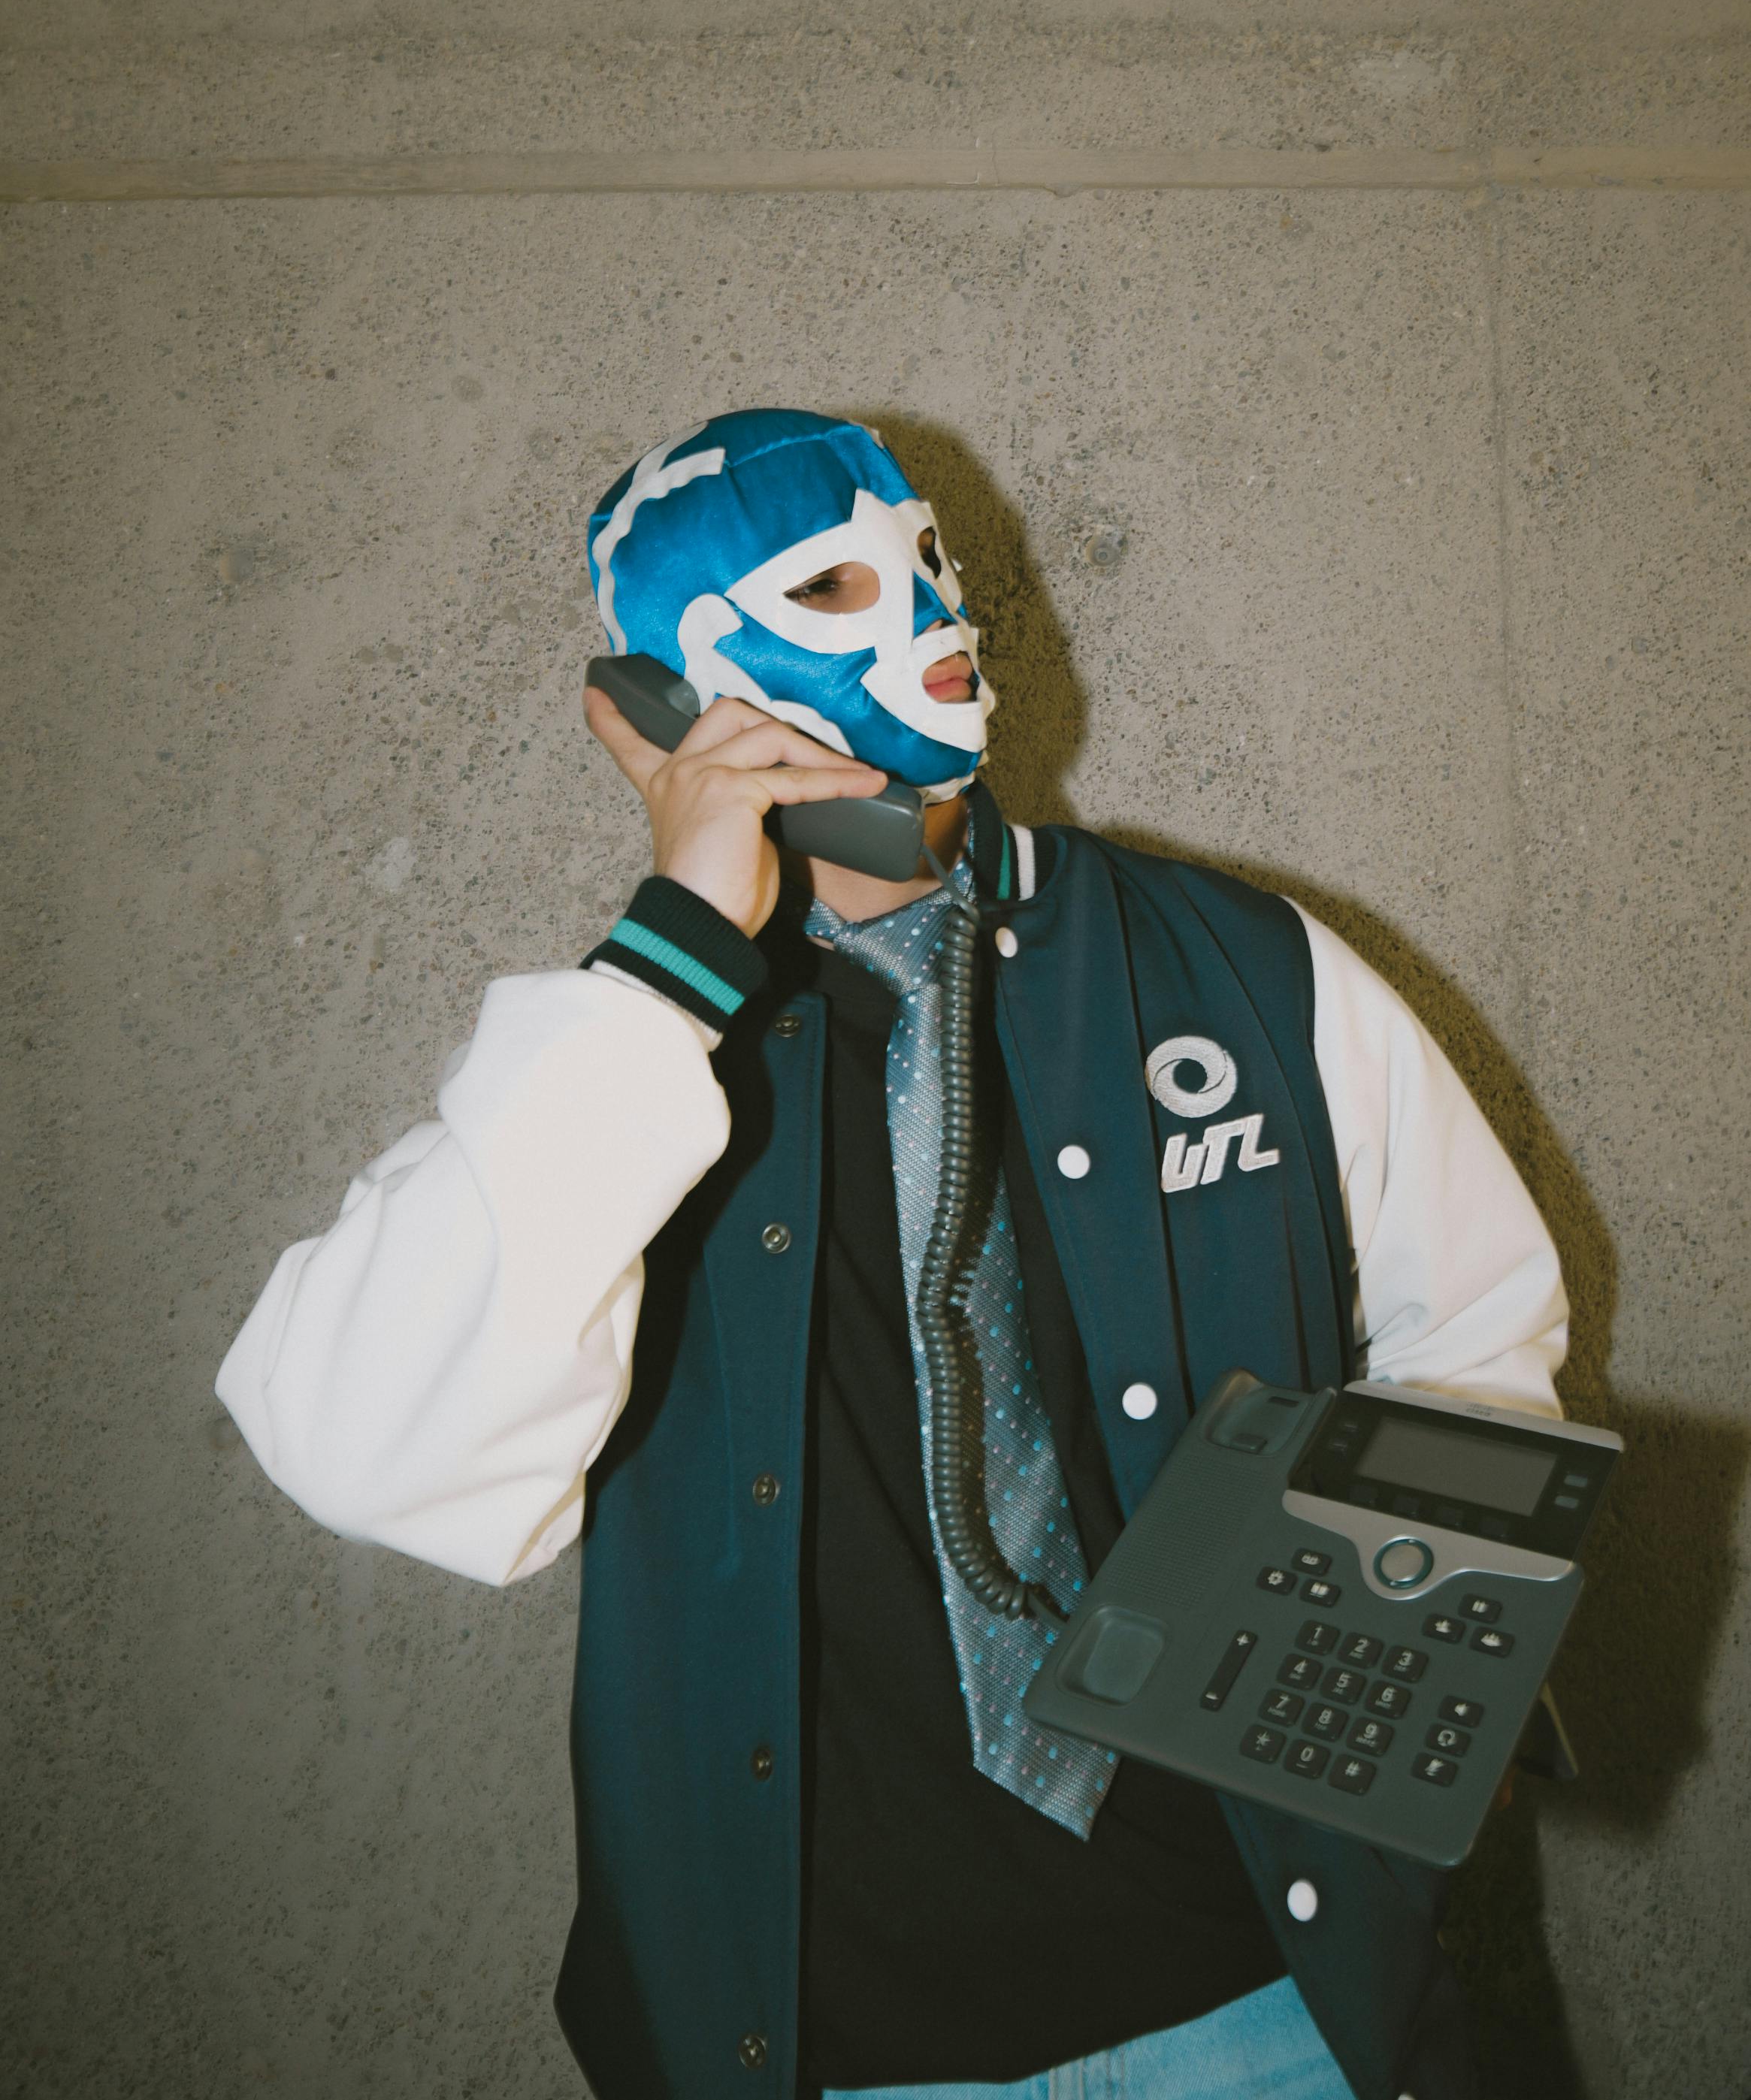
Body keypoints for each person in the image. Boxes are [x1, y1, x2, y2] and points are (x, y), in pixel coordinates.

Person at [217, 409, 1568, 2100]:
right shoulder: (616, 1060)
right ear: (670, 691)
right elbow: (360, 1440)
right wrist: (676, 951)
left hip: (1273, 2003)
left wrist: (1394, 1718)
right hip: (838, 2047)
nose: (927, 611)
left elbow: (1479, 1335)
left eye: (925, 559)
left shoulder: (1242, 962)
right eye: (840, 582)